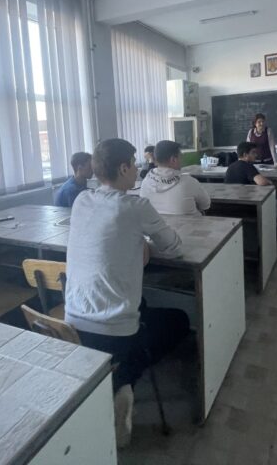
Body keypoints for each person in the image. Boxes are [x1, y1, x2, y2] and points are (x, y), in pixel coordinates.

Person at [64, 138, 188, 448]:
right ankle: (123, 379)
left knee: (142, 305)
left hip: (72, 325)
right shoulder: (135, 206)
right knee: (179, 320)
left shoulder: (81, 200)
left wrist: (137, 244)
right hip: (115, 332)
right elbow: (174, 247)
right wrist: (144, 244)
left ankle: (112, 375)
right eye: (134, 164)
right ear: (123, 168)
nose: (137, 169)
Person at [140, 140, 210, 216]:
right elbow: (206, 205)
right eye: (181, 157)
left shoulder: (145, 181)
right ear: (173, 159)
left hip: (157, 223)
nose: (182, 160)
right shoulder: (189, 182)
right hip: (189, 223)